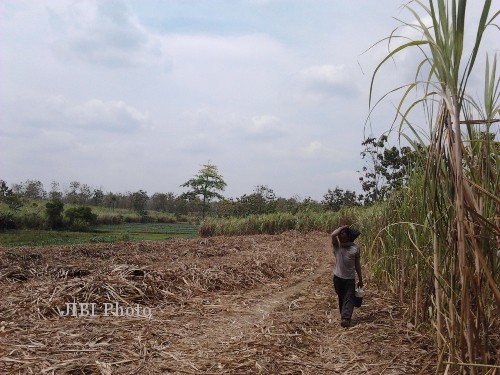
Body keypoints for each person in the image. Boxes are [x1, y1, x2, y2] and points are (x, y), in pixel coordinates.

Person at [331, 224, 363, 327]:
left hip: (350, 278)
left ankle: (346, 318)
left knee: (349, 297)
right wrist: (341, 228)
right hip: (338, 277)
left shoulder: (355, 248)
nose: (341, 236)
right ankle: (344, 316)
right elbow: (333, 234)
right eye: (340, 234)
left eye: (343, 234)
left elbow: (357, 264)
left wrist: (360, 279)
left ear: (349, 236)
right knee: (341, 297)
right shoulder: (337, 246)